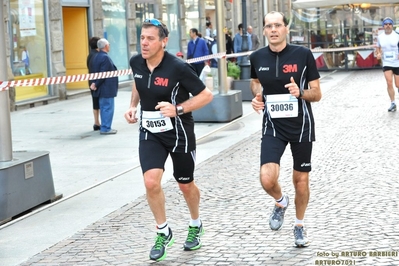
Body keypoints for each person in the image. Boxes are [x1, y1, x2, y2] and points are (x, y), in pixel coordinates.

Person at [124, 18, 213, 261]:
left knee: (185, 184)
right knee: (151, 182)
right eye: (142, 37)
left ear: (163, 42)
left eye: (150, 38)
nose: (144, 43)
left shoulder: (179, 67)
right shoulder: (136, 61)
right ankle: (163, 232)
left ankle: (195, 224)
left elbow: (206, 95)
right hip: (150, 131)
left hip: (179, 133)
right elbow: (138, 81)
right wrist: (133, 106)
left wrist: (178, 109)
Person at [249, 11, 322, 247]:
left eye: (277, 25)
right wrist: (257, 97)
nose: (273, 30)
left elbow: (317, 94)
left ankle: (299, 225)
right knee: (267, 179)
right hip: (273, 125)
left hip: (301, 126)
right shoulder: (257, 57)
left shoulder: (302, 55)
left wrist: (300, 93)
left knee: (301, 181)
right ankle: (280, 202)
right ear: (263, 30)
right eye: (268, 26)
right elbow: (255, 83)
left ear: (286, 29)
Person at [89, 38, 118, 134]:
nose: (109, 46)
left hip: (102, 88)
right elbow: (103, 73)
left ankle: (105, 126)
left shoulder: (96, 56)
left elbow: (94, 71)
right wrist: (96, 83)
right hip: (106, 88)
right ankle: (106, 128)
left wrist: (94, 83)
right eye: (108, 44)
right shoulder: (105, 57)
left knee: (104, 107)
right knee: (107, 108)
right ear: (106, 46)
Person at [376, 17, 399, 112]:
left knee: (398, 84)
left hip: (397, 62)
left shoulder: (397, 35)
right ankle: (393, 102)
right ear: (383, 26)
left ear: (392, 25)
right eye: (386, 24)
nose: (388, 25)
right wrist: (378, 53)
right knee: (389, 83)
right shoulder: (380, 37)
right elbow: (378, 47)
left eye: (390, 24)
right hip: (387, 62)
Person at [86, 36, 101, 131]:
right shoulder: (97, 55)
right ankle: (97, 122)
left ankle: (96, 122)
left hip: (91, 81)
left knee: (95, 102)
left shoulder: (90, 55)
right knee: (99, 102)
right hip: (96, 82)